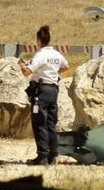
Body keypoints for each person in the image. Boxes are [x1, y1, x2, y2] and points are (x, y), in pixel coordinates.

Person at [19, 25, 69, 166]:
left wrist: (21, 65)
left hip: (41, 92)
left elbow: (27, 72)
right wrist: (53, 73)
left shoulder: (40, 55)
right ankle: (53, 155)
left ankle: (42, 156)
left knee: (39, 123)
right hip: (53, 90)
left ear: (38, 39)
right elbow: (66, 66)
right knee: (51, 124)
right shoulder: (56, 54)